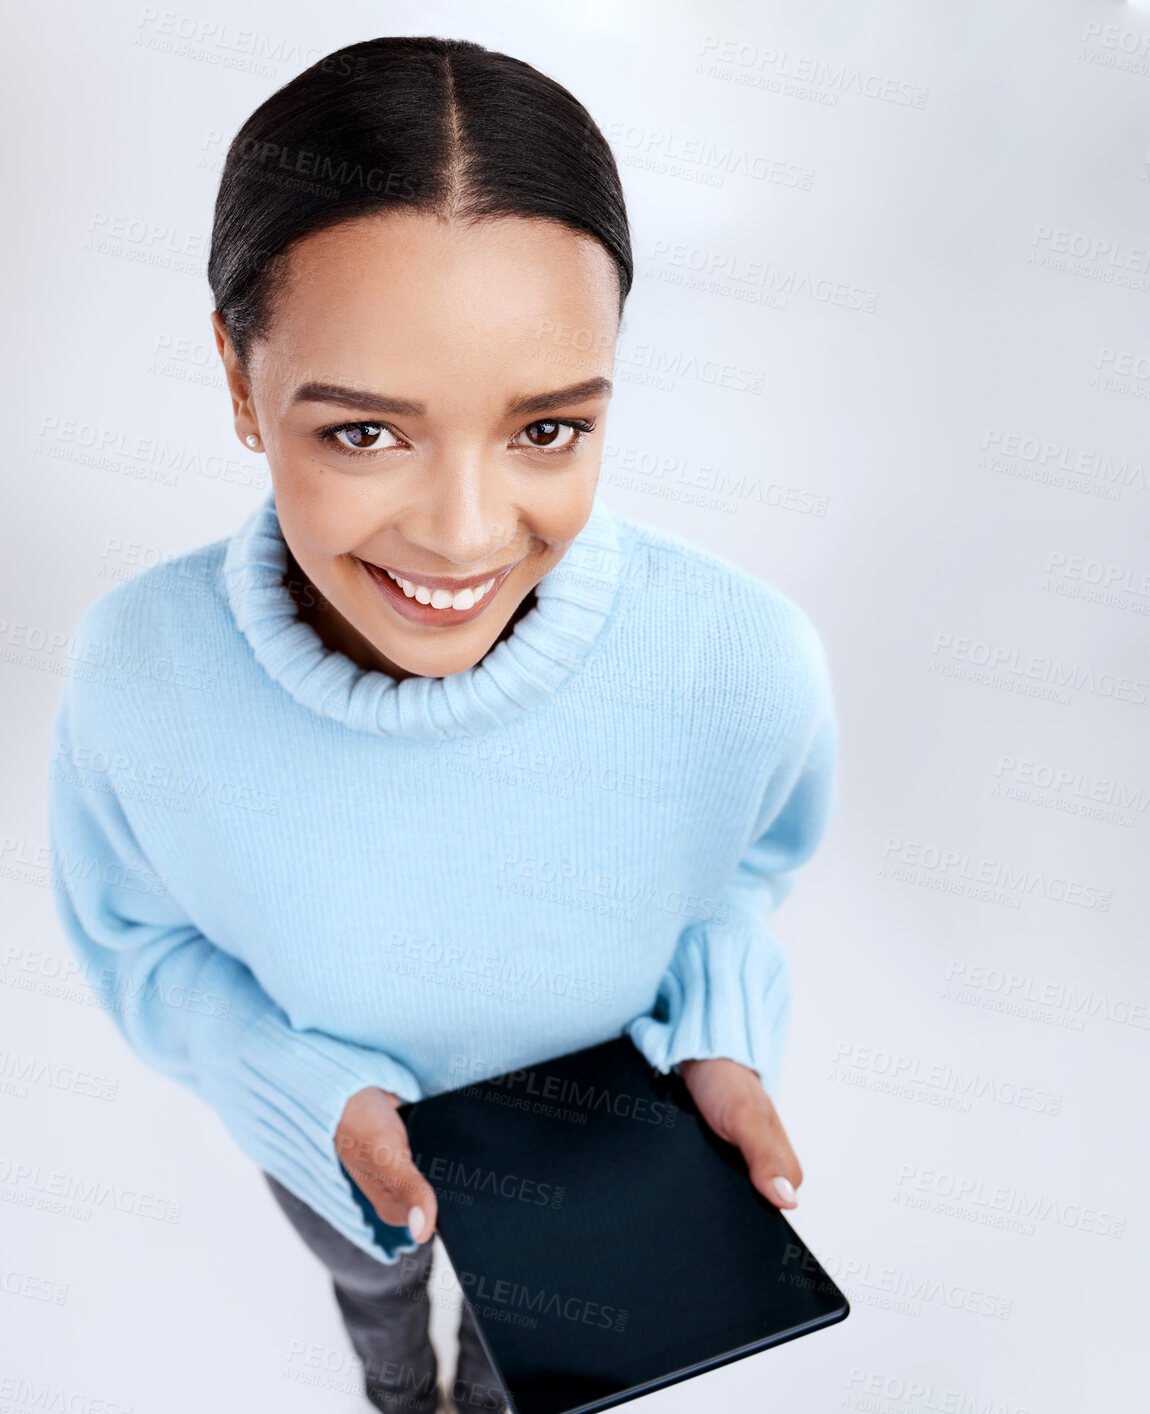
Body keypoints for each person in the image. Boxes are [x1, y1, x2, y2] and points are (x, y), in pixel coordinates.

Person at [47, 34, 837, 1414]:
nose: (464, 535)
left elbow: (741, 878)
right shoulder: (137, 671)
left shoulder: (744, 662)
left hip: (600, 1155)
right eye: (364, 433)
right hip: (326, 1151)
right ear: (239, 382)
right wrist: (306, 1098)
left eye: (545, 430)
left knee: (515, 1372)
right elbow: (136, 938)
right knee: (378, 1299)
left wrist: (714, 1040)